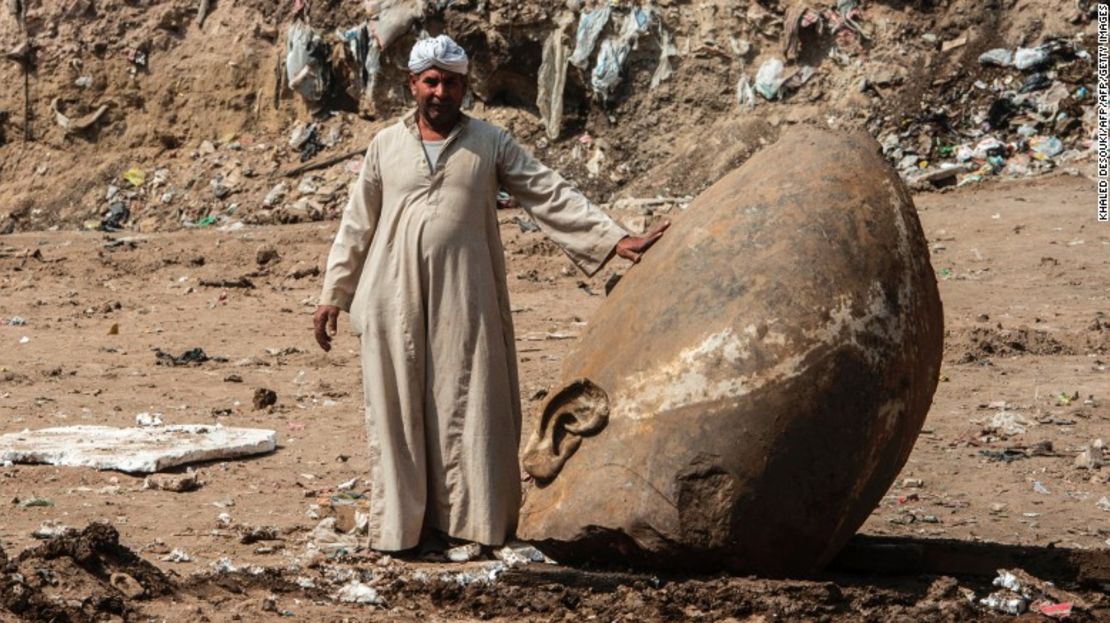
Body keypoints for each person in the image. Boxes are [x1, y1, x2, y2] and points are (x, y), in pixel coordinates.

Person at [313, 34, 667, 554]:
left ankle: (471, 527)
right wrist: (333, 295)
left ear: (465, 87)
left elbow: (547, 190)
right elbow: (356, 224)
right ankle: (403, 532)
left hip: (467, 295)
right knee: (398, 409)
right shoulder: (384, 146)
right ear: (413, 84)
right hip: (390, 296)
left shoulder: (490, 142)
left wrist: (614, 239)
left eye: (451, 83)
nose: (440, 92)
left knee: (469, 403)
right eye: (430, 81)